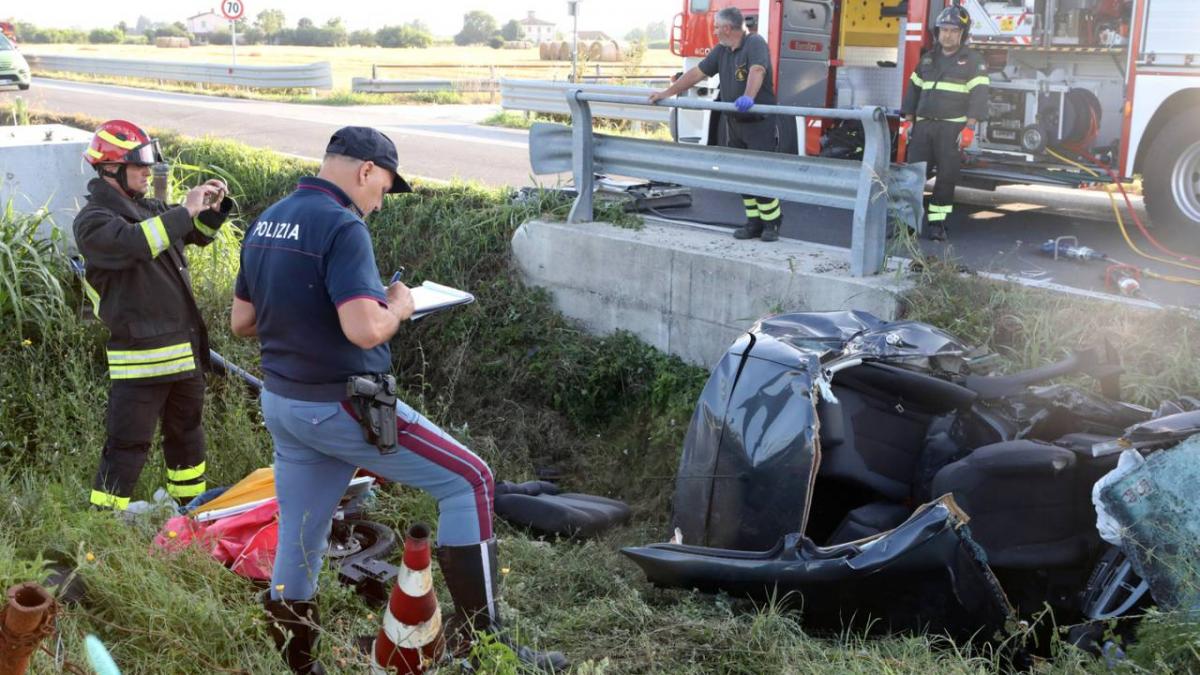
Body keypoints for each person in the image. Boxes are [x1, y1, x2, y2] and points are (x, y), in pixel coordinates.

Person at [229, 126, 566, 674]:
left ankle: (299, 666)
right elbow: (365, 330)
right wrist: (400, 306)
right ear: (366, 170)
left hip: (286, 403)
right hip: (341, 405)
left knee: (300, 536)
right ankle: (484, 649)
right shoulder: (343, 225)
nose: (380, 203)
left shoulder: (269, 219)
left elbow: (243, 321)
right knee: (470, 480)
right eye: (383, 189)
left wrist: (313, 316)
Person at [73, 119, 230, 511]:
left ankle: (190, 508)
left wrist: (212, 208)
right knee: (127, 443)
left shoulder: (147, 208)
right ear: (111, 168)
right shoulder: (93, 221)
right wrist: (185, 209)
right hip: (141, 360)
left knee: (188, 437)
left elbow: (196, 233)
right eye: (139, 164)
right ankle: (106, 517)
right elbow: (137, 244)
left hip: (183, 352)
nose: (148, 171)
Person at [648, 6, 783, 241]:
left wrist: (749, 97)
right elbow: (696, 74)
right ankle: (754, 222)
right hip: (736, 123)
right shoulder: (722, 50)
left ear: (728, 28)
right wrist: (666, 93)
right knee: (741, 175)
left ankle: (772, 223)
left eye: (717, 27)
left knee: (760, 174)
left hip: (758, 124)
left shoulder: (754, 43)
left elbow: (757, 70)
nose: (715, 31)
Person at [901, 4, 990, 241]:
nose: (947, 35)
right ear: (937, 32)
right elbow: (913, 91)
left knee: (946, 179)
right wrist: (908, 121)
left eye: (953, 30)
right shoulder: (927, 60)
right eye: (944, 30)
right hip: (923, 128)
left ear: (962, 34)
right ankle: (907, 225)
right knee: (913, 177)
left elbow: (979, 96)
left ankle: (937, 225)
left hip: (951, 130)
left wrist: (969, 127)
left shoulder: (973, 61)